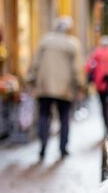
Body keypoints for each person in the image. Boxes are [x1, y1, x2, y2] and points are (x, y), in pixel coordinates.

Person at [27, 16, 84, 159]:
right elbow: (76, 68)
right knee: (64, 118)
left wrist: (31, 80)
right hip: (64, 88)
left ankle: (43, 146)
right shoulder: (72, 44)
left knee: (43, 116)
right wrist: (80, 86)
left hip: (44, 86)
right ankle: (63, 148)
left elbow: (35, 64)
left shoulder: (45, 41)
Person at [85, 35, 108, 129]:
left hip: (100, 84)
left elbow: (88, 67)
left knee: (103, 105)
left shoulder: (97, 53)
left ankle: (106, 125)